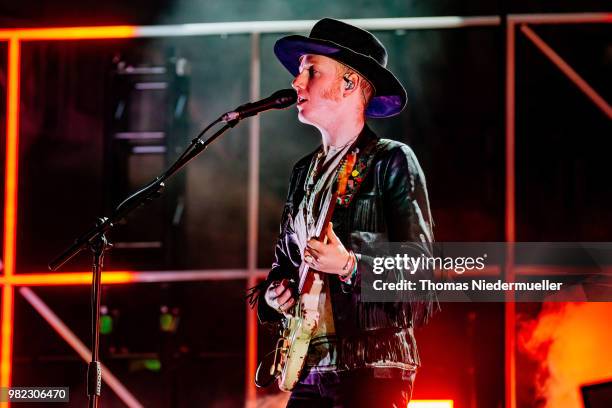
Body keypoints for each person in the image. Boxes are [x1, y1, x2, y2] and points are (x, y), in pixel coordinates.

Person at [250, 18, 436, 407]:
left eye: (310, 71)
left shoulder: (391, 161)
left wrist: (351, 265)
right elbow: (284, 264)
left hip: (373, 368)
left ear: (349, 83)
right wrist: (274, 295)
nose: (296, 83)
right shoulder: (303, 173)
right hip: (311, 366)